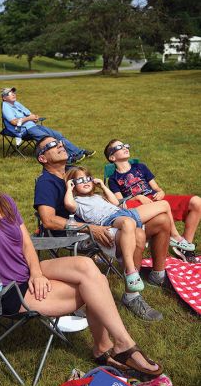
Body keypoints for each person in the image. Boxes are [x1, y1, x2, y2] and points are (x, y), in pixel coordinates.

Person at [0, 148, 163, 377]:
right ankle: (117, 346)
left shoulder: (6, 202)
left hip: (26, 273)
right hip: (2, 290)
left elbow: (26, 244)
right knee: (94, 287)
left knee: (87, 267)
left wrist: (36, 273)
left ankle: (114, 345)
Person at [34, 136, 171, 321]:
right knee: (137, 235)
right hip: (78, 235)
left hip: (106, 220)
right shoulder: (46, 183)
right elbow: (48, 220)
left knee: (162, 219)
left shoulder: (71, 172)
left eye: (60, 142)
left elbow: (94, 198)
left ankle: (157, 275)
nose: (60, 145)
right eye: (52, 145)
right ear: (42, 158)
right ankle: (132, 295)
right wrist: (89, 228)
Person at [64, 165, 187, 293]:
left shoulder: (98, 196)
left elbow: (116, 203)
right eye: (80, 180)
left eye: (88, 178)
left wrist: (103, 186)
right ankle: (130, 271)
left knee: (163, 205)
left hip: (124, 212)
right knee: (128, 223)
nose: (85, 182)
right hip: (109, 220)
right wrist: (68, 188)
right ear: (73, 184)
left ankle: (176, 238)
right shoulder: (76, 201)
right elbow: (68, 205)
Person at [104, 139, 201, 262]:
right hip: (138, 205)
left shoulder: (140, 167)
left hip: (155, 198)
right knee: (149, 207)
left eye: (125, 145)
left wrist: (161, 191)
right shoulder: (113, 179)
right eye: (119, 147)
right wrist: (138, 197)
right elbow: (119, 202)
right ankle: (176, 238)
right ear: (112, 157)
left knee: (196, 201)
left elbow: (155, 187)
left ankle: (185, 246)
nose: (124, 148)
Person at [1, 87, 95, 164]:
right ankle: (68, 158)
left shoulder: (16, 103)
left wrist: (34, 117)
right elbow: (13, 122)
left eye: (14, 93)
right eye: (10, 94)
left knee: (57, 135)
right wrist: (29, 118)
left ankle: (78, 152)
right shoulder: (6, 106)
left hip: (32, 126)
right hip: (23, 130)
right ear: (4, 98)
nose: (13, 94)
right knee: (49, 140)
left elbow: (29, 113)